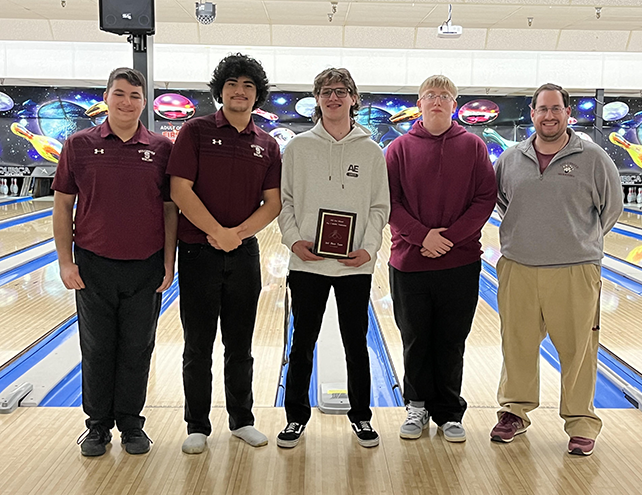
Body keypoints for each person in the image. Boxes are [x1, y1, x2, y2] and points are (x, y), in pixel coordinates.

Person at [492, 83, 623, 456]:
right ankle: (514, 412)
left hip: (574, 269)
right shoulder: (511, 158)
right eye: (541, 109)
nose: (548, 115)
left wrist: (579, 240)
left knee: (578, 349)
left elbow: (611, 208)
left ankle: (581, 423)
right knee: (516, 345)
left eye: (556, 109)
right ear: (531, 114)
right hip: (519, 266)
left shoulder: (593, 157)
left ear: (569, 114)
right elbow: (504, 201)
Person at [52, 67, 177, 457]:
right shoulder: (78, 144)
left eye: (135, 96)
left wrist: (169, 263)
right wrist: (64, 262)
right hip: (93, 265)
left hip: (145, 265)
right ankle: (97, 427)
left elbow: (170, 209)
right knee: (98, 348)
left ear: (144, 102)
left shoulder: (161, 148)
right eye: (119, 94)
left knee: (138, 349)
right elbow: (62, 205)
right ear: (106, 98)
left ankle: (131, 424)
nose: (126, 102)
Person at [167, 53, 281, 454]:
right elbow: (180, 189)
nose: (240, 91)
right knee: (198, 346)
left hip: (244, 254)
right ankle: (197, 424)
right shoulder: (195, 132)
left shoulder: (266, 144)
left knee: (241, 345)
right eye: (233, 84)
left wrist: (238, 235)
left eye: (248, 85)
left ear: (257, 95)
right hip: (198, 252)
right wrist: (217, 233)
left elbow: (273, 202)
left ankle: (242, 420)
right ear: (221, 90)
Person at [276, 68, 390, 449]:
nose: (333, 97)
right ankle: (295, 418)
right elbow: (285, 202)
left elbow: (379, 207)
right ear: (317, 99)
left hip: (354, 265)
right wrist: (293, 241)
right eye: (326, 91)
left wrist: (369, 249)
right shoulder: (298, 148)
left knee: (355, 343)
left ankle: (361, 416)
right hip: (307, 262)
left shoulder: (371, 151)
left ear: (353, 98)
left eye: (341, 91)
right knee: (302, 341)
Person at [385, 75, 496, 443]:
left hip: (459, 262)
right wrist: (423, 237)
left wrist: (448, 239)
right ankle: (416, 405)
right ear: (419, 102)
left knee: (451, 339)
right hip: (409, 262)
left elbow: (484, 199)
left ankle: (448, 411)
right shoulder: (398, 148)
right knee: (415, 338)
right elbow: (389, 201)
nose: (437, 100)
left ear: (454, 104)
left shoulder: (474, 146)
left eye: (444, 95)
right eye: (430, 95)